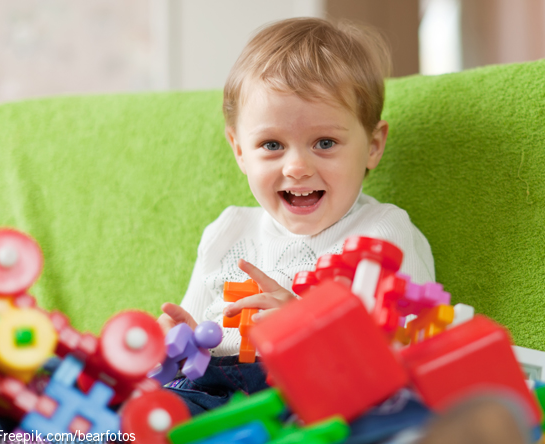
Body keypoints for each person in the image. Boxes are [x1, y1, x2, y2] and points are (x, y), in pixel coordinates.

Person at [155, 17, 435, 416]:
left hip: (308, 393)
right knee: (142, 411)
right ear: (239, 150)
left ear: (373, 146)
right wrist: (181, 337)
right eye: (271, 144)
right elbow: (195, 327)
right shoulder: (228, 229)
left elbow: (401, 350)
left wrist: (305, 329)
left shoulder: (381, 231)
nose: (297, 167)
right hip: (210, 389)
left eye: (325, 143)